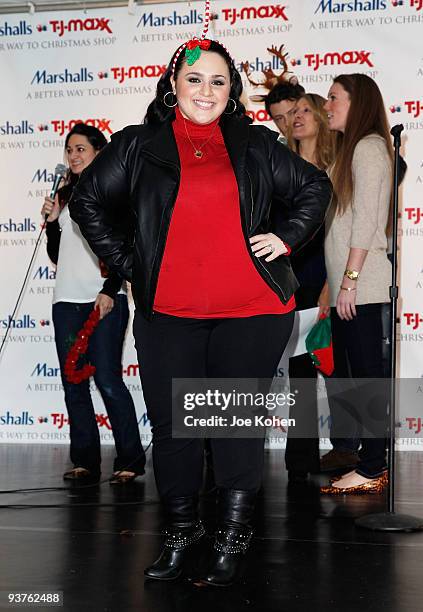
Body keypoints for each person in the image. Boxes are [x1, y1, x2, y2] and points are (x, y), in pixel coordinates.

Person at [69, 37, 332, 585]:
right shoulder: (140, 144)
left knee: (234, 428)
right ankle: (181, 533)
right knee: (176, 432)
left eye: (218, 80)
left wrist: (285, 238)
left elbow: (314, 187)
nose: (206, 90)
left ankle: (232, 539)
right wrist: (129, 261)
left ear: (232, 90)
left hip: (251, 311)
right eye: (194, 79)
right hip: (169, 314)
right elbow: (87, 200)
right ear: (173, 85)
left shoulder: (254, 143)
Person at [41, 123, 146, 484]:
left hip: (103, 297)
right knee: (73, 382)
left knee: (108, 380)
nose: (73, 155)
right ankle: (84, 459)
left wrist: (111, 287)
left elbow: (123, 249)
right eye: (69, 149)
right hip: (66, 300)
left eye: (81, 148)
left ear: (99, 152)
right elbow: (59, 254)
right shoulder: (65, 197)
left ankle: (130, 459)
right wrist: (53, 223)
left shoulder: (112, 193)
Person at [320, 74, 393, 494]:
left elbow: (366, 222)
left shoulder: (368, 148)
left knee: (368, 381)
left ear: (356, 101)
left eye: (333, 98)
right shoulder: (349, 151)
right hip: (349, 289)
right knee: (355, 379)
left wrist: (349, 282)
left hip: (363, 288)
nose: (327, 105)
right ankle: (368, 464)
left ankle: (371, 468)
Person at [282, 93, 336, 483]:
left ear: (320, 117)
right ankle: (300, 458)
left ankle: (351, 453)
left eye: (304, 110)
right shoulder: (279, 167)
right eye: (292, 112)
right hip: (284, 280)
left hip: (324, 280)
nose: (295, 117)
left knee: (335, 367)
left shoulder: (336, 169)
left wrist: (333, 285)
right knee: (298, 373)